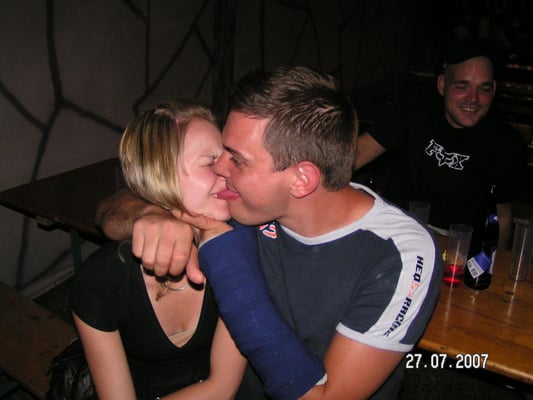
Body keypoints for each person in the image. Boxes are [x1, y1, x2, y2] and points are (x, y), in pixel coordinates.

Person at [96, 66, 443, 399]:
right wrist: (151, 214)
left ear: (301, 180)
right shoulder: (247, 204)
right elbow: (113, 210)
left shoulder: (400, 254)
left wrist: (226, 259)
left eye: (236, 159)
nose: (220, 168)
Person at [70, 100, 248, 400]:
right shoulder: (102, 281)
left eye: (229, 158)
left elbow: (223, 387)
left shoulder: (241, 249)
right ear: (161, 174)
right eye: (210, 162)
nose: (228, 171)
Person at [354, 38, 528, 252]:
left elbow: (501, 214)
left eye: (483, 89)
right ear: (442, 84)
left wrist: (496, 261)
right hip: (398, 229)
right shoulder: (414, 109)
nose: (473, 99)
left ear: (493, 90)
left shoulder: (507, 143)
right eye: (462, 86)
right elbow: (359, 152)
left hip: (460, 247)